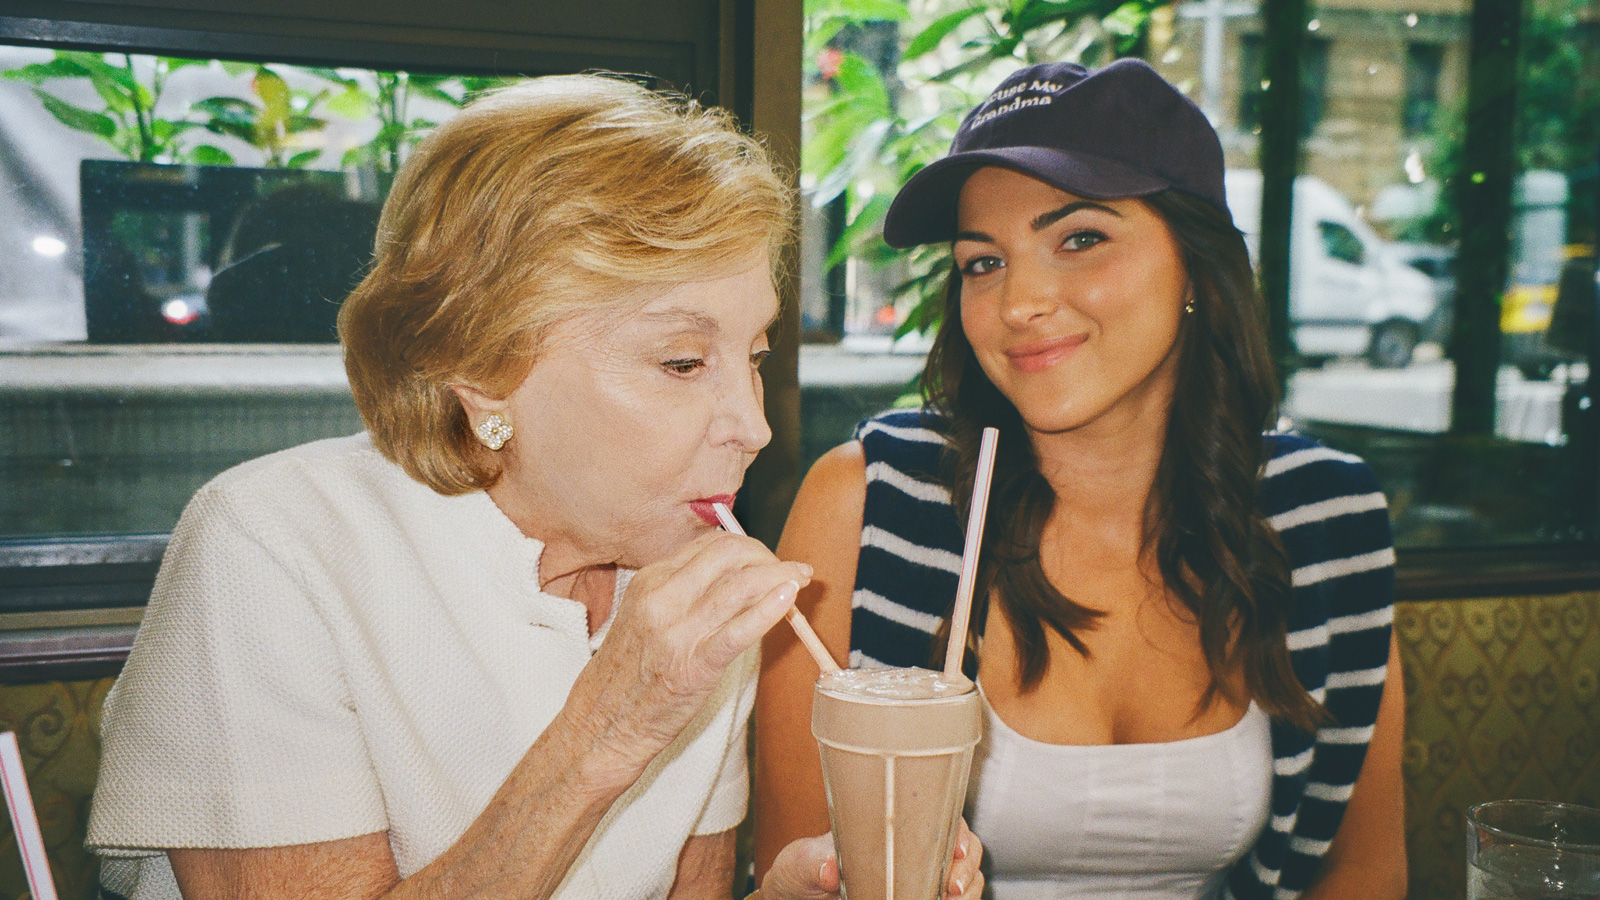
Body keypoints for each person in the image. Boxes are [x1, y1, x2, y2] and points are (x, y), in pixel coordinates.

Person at [85, 75, 983, 900]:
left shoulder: (694, 571)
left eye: (752, 357)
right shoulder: (273, 547)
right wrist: (612, 726)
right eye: (681, 360)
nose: (752, 425)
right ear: (479, 372)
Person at [755, 59, 1406, 899]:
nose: (1019, 301)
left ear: (1199, 269)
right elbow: (802, 866)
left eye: (1080, 239)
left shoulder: (1324, 518)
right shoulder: (869, 504)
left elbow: (1361, 872)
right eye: (982, 262)